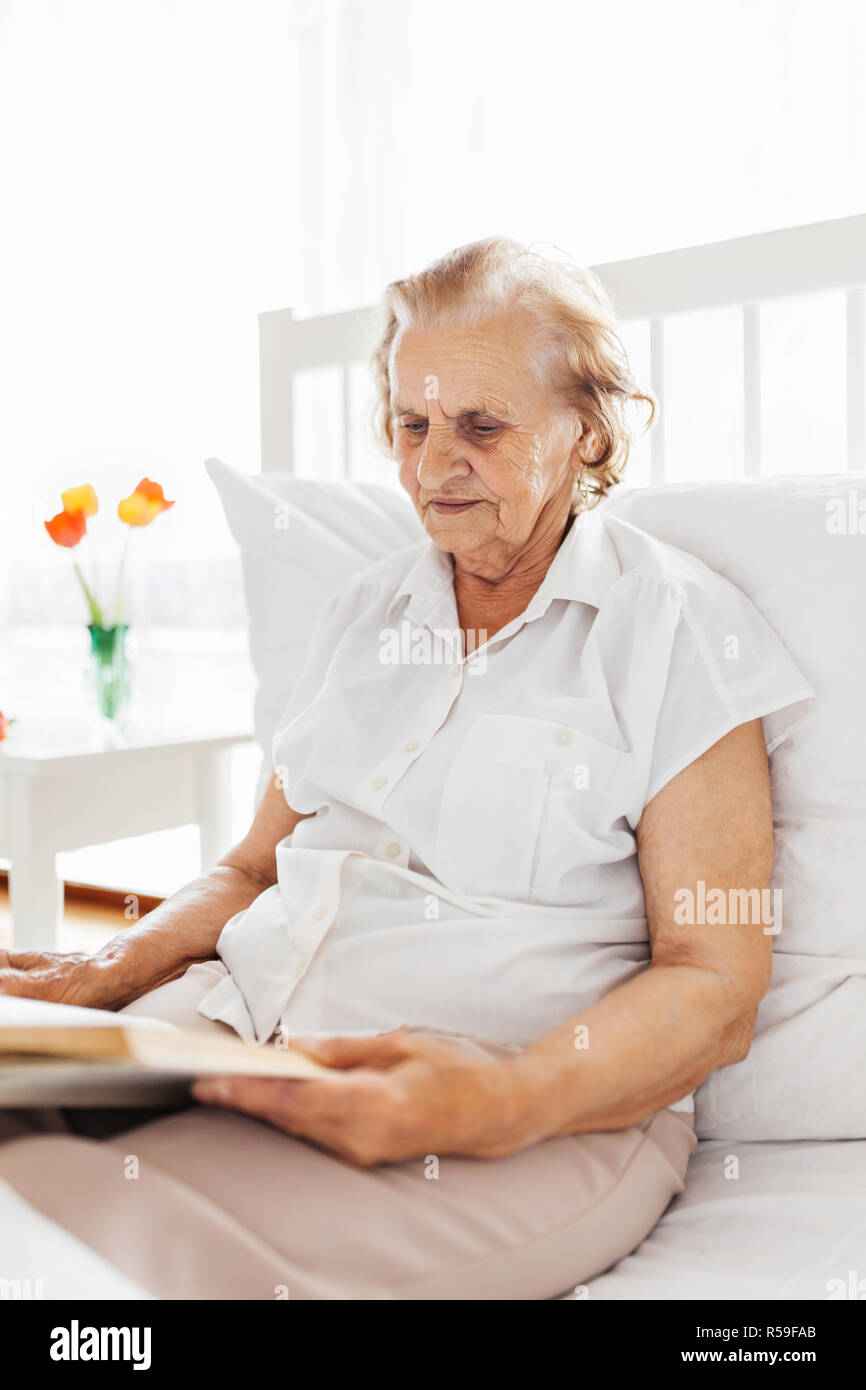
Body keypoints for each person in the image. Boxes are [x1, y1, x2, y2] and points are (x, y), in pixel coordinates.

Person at [0, 238, 813, 1299]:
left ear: (585, 431)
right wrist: (100, 975)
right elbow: (251, 870)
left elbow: (714, 983)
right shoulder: (363, 612)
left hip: (518, 1108)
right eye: (411, 424)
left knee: (86, 1220)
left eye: (479, 426)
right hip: (237, 1027)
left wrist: (496, 1098)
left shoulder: (677, 632)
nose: (432, 466)